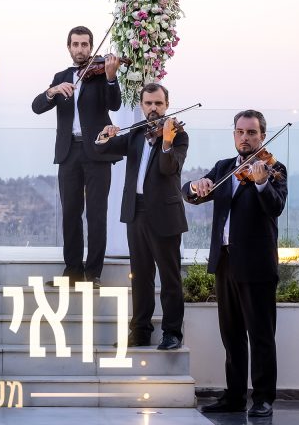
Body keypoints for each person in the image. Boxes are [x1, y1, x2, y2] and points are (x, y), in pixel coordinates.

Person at [183, 110, 287, 417]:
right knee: (231, 335)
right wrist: (197, 185)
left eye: (251, 132)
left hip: (256, 264)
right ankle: (235, 396)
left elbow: (276, 207)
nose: (245, 137)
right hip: (225, 262)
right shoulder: (223, 168)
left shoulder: (274, 168)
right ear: (234, 135)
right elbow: (190, 194)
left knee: (261, 335)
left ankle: (264, 398)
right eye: (240, 132)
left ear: (262, 136)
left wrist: (261, 183)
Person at [95, 83, 188, 350]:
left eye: (158, 103)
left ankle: (172, 333)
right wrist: (104, 135)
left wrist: (166, 141)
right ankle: (140, 331)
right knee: (140, 275)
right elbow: (105, 149)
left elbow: (168, 168)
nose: (153, 108)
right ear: (141, 105)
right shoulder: (137, 131)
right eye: (148, 103)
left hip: (165, 214)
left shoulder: (178, 135)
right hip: (136, 211)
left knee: (170, 278)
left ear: (167, 105)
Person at [31, 26, 122, 284]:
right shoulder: (61, 76)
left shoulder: (102, 73)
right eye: (75, 44)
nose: (80, 49)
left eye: (84, 44)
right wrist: (52, 91)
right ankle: (72, 272)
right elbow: (37, 107)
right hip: (68, 152)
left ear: (91, 47)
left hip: (97, 152)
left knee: (96, 215)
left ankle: (93, 274)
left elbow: (114, 104)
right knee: (70, 213)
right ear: (69, 47)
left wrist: (111, 77)